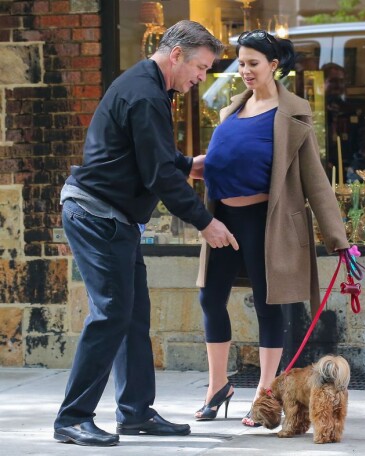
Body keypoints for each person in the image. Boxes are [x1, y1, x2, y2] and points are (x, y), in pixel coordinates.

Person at [53, 21, 238, 447]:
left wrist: (185, 162)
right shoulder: (145, 94)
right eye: (201, 67)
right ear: (176, 55)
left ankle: (135, 413)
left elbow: (142, 152)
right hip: (96, 215)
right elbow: (156, 175)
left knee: (133, 315)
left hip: (114, 219)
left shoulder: (150, 87)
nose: (201, 78)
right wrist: (205, 222)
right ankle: (72, 417)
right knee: (111, 313)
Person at [193, 29, 350, 427]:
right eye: (240, 63)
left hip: (268, 223)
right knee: (211, 299)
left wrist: (339, 240)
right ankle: (217, 387)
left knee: (268, 306)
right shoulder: (230, 109)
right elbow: (223, 159)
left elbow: (316, 181)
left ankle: (265, 395)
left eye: (252, 63)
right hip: (222, 221)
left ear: (274, 66)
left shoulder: (291, 115)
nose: (244, 70)